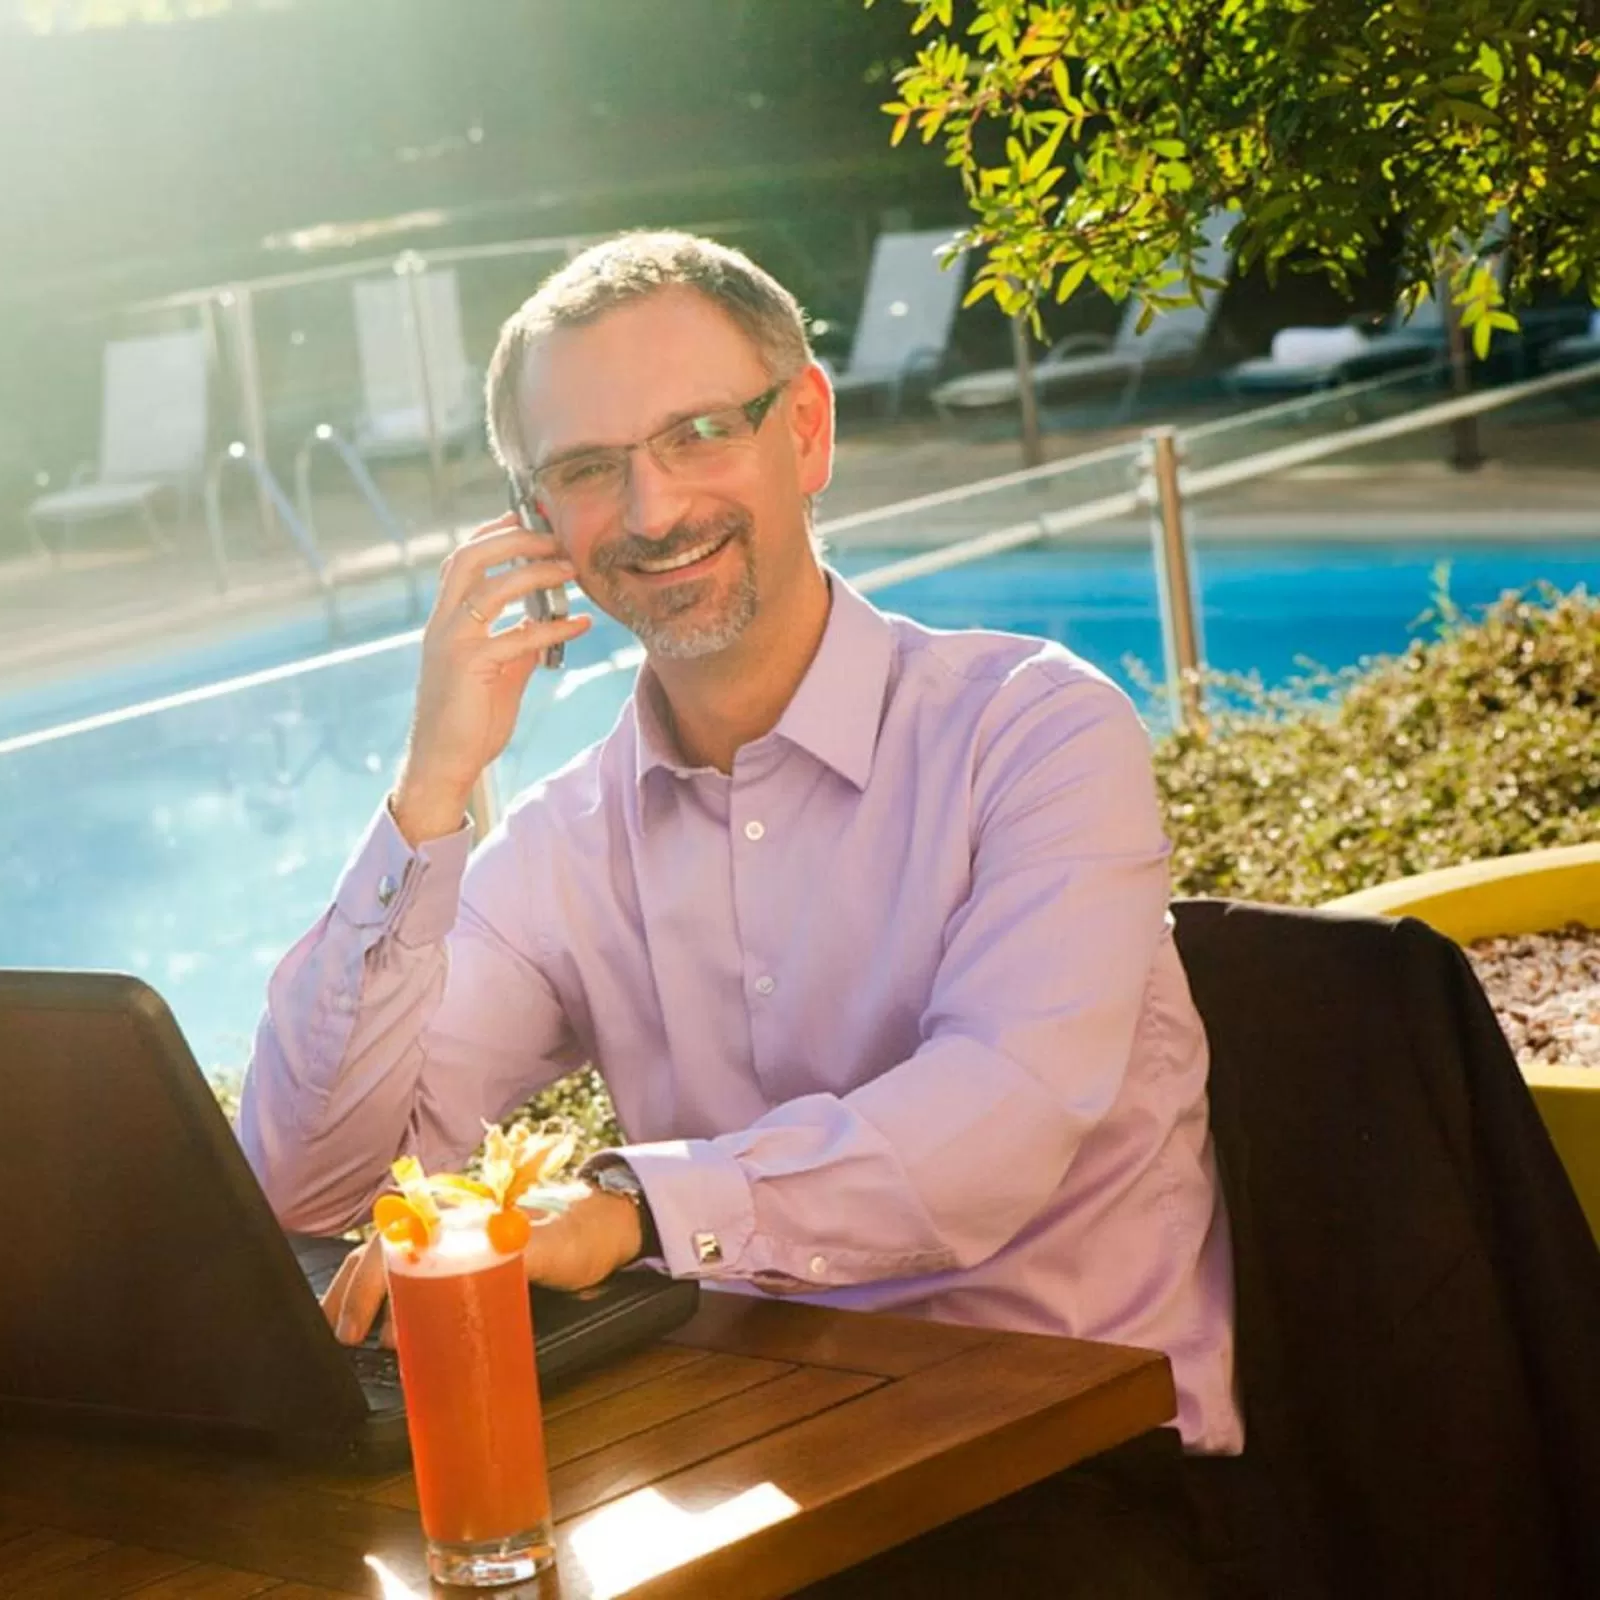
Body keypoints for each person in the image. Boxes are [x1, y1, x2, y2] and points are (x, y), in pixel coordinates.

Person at [235, 232, 1240, 1590]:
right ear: (534, 521)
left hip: (1071, 1481)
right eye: (588, 469)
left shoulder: (1038, 732)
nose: (650, 509)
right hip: (749, 1474)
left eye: (699, 432)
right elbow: (311, 1184)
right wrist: (433, 787)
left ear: (806, 430)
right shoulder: (569, 838)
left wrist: (631, 1207)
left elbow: (998, 1118)